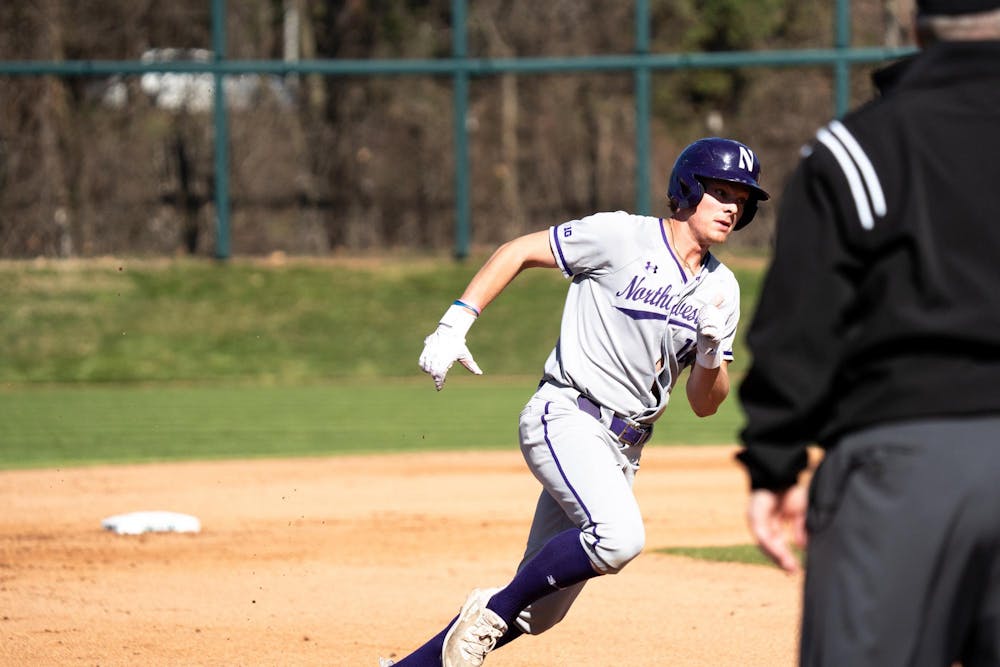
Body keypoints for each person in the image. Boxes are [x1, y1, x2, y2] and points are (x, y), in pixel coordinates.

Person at [378, 137, 770, 667]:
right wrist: (456, 321)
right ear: (687, 189)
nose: (731, 207)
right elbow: (518, 250)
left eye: (741, 200)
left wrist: (708, 353)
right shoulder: (620, 236)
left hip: (623, 448)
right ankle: (488, 611)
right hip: (567, 415)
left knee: (537, 614)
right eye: (720, 192)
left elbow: (706, 403)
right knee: (618, 538)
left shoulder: (722, 289)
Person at [736, 1, 1000, 664]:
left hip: (903, 466)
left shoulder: (856, 148)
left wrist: (775, 461)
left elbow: (799, 323)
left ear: (915, 27)